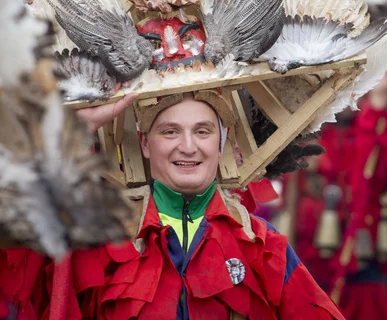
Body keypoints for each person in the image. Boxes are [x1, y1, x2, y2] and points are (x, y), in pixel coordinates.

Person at [0, 92, 345, 319]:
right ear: (144, 144)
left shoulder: (263, 246)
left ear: (221, 141)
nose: (188, 146)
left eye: (203, 131)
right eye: (169, 132)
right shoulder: (95, 242)